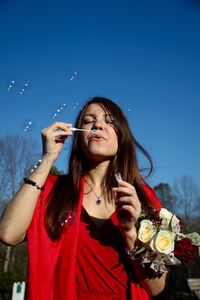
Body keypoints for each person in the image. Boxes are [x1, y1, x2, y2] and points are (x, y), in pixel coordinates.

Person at [0, 96, 167, 299]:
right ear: (78, 136)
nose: (97, 124)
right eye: (88, 121)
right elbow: (8, 233)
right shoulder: (53, 188)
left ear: (121, 135)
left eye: (109, 120)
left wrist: (130, 232)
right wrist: (47, 159)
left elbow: (157, 287)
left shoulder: (143, 196)